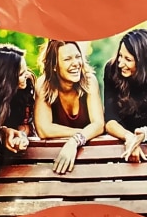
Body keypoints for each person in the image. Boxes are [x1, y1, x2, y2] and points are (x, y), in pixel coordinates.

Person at [33, 39, 104, 175]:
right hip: (59, 160)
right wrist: (84, 133)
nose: (76, 63)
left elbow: (99, 124)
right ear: (54, 65)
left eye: (78, 57)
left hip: (90, 157)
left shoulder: (89, 81)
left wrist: (75, 141)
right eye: (67, 59)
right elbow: (44, 129)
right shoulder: (44, 85)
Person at [0, 44, 35, 175]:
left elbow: (25, 124)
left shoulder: (21, 94)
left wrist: (14, 135)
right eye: (21, 73)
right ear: (5, 80)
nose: (27, 75)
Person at [102, 28, 147, 161]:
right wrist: (129, 137)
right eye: (120, 56)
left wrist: (143, 134)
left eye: (128, 59)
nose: (121, 64)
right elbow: (110, 120)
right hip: (122, 144)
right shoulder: (112, 70)